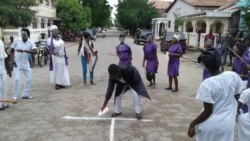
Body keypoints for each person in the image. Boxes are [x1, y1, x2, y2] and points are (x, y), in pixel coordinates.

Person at [187, 49, 246, 141]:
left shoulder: (207, 84)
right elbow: (239, 96)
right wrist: (234, 112)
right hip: (227, 125)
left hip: (210, 126)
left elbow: (208, 112)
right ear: (220, 62)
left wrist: (193, 123)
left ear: (206, 66)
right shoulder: (233, 75)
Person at [10, 28, 37, 100]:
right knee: (17, 79)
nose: (22, 35)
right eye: (21, 34)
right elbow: (12, 51)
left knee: (29, 79)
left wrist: (24, 50)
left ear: (28, 35)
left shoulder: (31, 42)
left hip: (25, 63)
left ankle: (25, 94)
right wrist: (12, 61)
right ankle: (15, 96)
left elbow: (35, 51)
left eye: (24, 34)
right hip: (17, 63)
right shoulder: (16, 40)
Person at [48, 25, 70, 90]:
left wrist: (65, 55)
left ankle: (62, 83)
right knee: (57, 70)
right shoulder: (49, 40)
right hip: (56, 58)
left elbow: (63, 47)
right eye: (54, 31)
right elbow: (50, 50)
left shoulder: (60, 38)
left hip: (62, 57)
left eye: (56, 30)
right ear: (51, 32)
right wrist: (55, 53)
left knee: (63, 70)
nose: (56, 32)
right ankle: (57, 84)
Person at [0, 38, 8, 110]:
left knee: (4, 86)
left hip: (2, 69)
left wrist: (8, 68)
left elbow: (4, 56)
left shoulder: (1, 42)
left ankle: (4, 103)